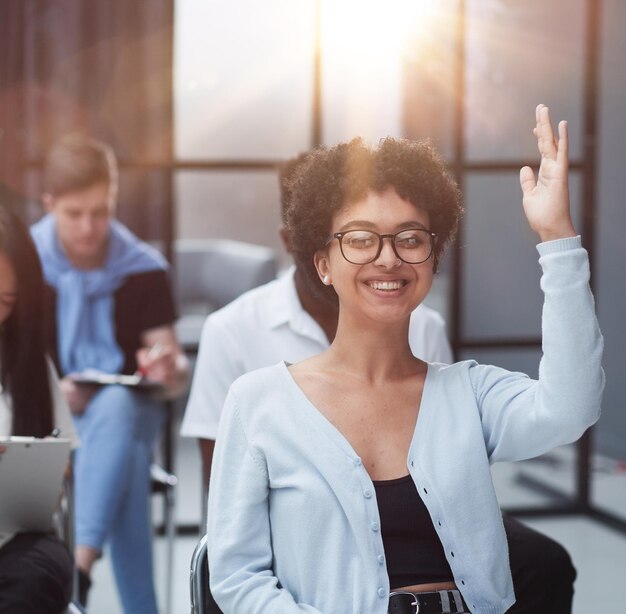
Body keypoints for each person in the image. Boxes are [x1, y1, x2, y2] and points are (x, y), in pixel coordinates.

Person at [206, 105, 604, 614]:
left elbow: (572, 407)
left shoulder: (469, 393)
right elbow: (238, 577)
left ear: (432, 259)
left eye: (410, 238)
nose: (388, 257)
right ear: (323, 264)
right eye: (360, 239)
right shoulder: (258, 402)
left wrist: (557, 238)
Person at [30, 135, 190, 614]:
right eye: (75, 214)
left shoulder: (141, 268)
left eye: (101, 212)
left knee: (118, 406)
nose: (89, 228)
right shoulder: (23, 265)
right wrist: (52, 395)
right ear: (49, 205)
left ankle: (77, 568)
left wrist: (168, 366)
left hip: (131, 415)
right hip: (48, 424)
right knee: (129, 463)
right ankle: (131, 603)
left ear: (114, 199)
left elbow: (175, 375)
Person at [0, 203, 79, 614]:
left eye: (6, 301)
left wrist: (38, 469)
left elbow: (57, 467)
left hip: (13, 544)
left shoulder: (29, 365)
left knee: (39, 574)